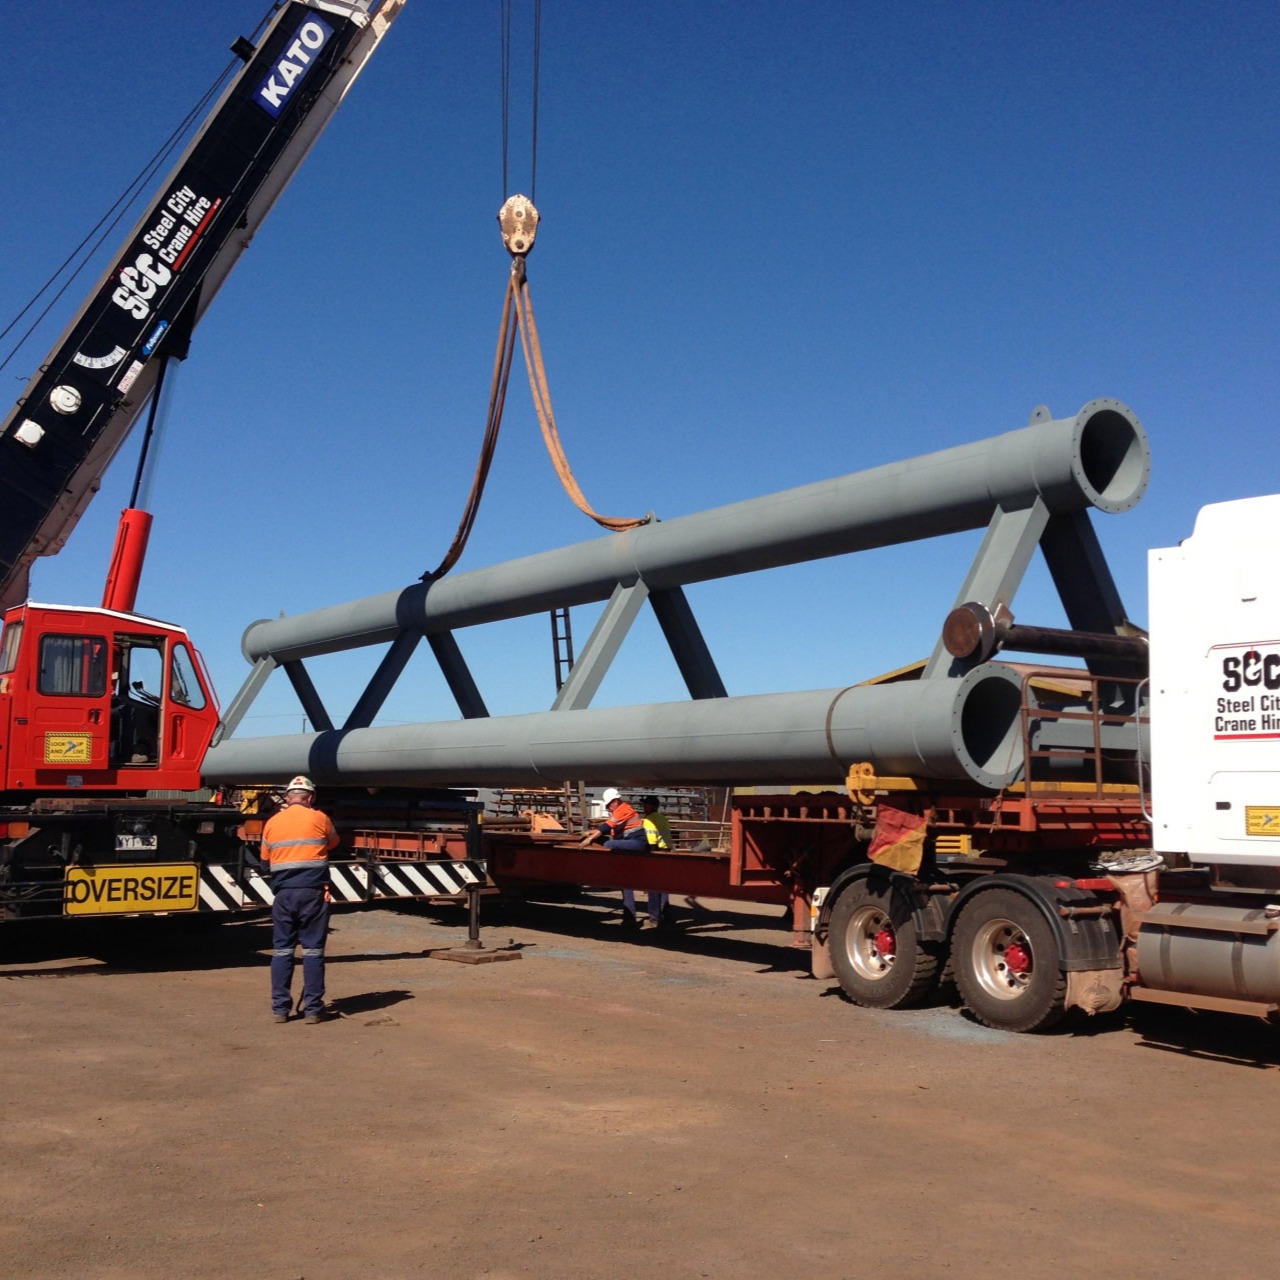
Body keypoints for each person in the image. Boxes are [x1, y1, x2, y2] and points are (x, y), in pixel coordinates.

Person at [261, 775, 339, 1024]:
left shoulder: (272, 823)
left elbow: (265, 860)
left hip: (284, 893)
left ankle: (280, 1010)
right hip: (313, 892)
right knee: (313, 950)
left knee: (282, 949)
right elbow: (333, 842)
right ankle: (313, 1009)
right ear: (310, 798)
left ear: (287, 798)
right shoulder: (319, 818)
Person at [580, 787, 648, 929]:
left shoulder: (623, 809)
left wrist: (590, 839)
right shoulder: (619, 810)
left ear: (615, 801)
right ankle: (629, 919)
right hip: (633, 843)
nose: (607, 808)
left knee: (608, 843)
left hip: (639, 843)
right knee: (625, 885)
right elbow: (610, 828)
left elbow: (607, 826)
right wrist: (590, 833)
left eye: (608, 805)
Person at [623, 795, 673, 928]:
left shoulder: (649, 820)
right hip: (666, 852)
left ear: (652, 806)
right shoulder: (662, 818)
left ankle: (654, 918)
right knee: (663, 887)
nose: (644, 806)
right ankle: (666, 916)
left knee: (653, 886)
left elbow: (650, 841)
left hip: (655, 853)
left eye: (646, 804)